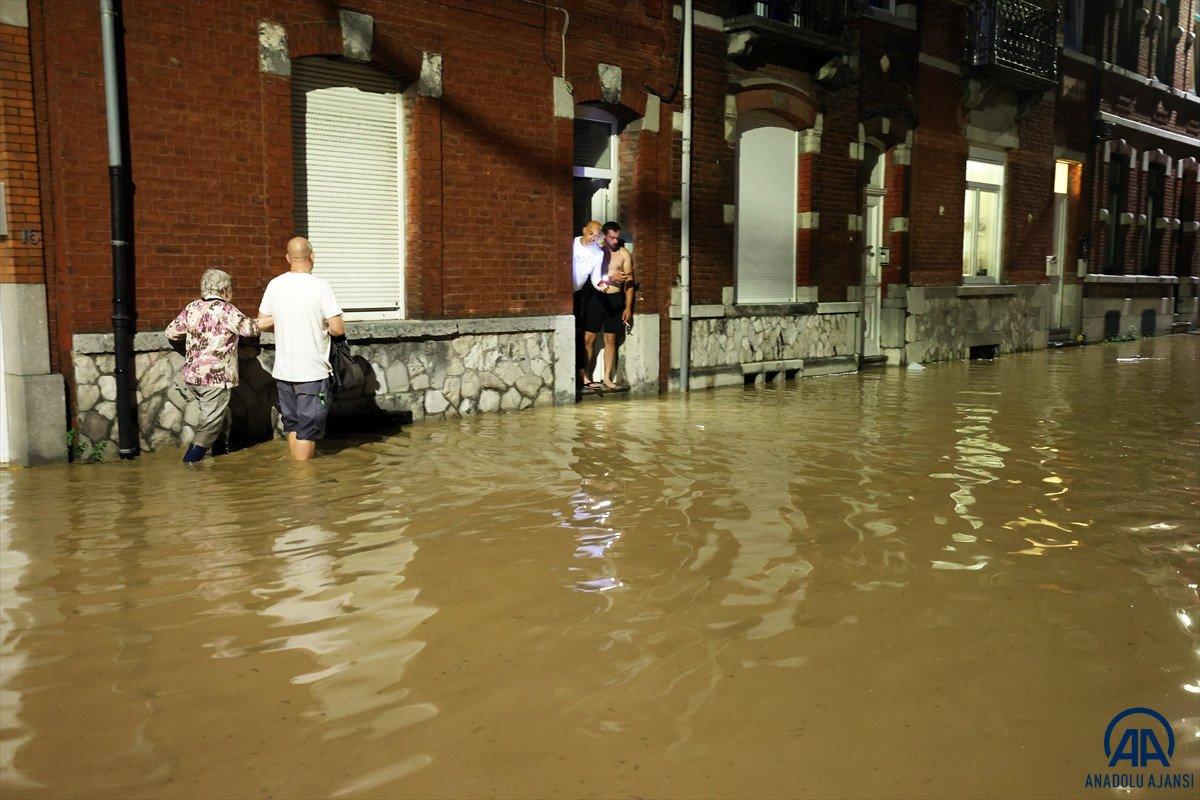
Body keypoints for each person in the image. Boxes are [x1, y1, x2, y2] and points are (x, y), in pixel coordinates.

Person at [256, 236, 345, 461]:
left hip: (284, 371)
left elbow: (262, 323)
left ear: (288, 258)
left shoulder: (274, 285)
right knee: (308, 429)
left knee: (293, 425)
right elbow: (337, 328)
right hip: (312, 372)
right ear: (312, 257)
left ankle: (295, 481)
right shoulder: (320, 286)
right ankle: (304, 486)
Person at [165, 268, 260, 463]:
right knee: (210, 424)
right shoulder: (226, 310)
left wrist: (193, 353)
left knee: (221, 416)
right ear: (224, 289)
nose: (232, 292)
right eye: (232, 288)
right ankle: (190, 462)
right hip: (215, 379)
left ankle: (221, 456)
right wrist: (279, 317)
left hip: (193, 377)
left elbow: (171, 332)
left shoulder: (192, 308)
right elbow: (251, 329)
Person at [584, 221, 634, 390]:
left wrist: (628, 307)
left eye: (617, 238)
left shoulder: (624, 254)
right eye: (612, 238)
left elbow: (629, 282)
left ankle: (606, 377)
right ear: (605, 236)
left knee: (610, 338)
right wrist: (610, 277)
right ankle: (587, 376)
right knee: (588, 338)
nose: (615, 241)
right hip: (597, 298)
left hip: (615, 300)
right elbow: (590, 274)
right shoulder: (597, 252)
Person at [572, 220, 606, 392]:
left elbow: (595, 278)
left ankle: (583, 375)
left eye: (597, 235)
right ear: (584, 230)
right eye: (591, 233)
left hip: (579, 294)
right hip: (565, 293)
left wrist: (602, 285)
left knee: (580, 335)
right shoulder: (572, 243)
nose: (594, 237)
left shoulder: (598, 253)